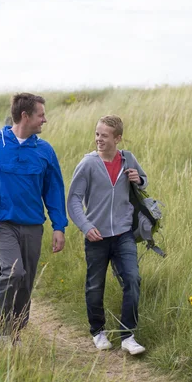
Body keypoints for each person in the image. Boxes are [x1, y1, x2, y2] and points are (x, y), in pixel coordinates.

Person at [0, 93, 68, 342]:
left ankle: (16, 330)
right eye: (41, 115)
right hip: (1, 224)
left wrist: (59, 226)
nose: (45, 120)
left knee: (26, 281)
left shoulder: (44, 150)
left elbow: (54, 190)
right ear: (25, 116)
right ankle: (1, 328)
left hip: (32, 226)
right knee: (14, 272)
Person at [67, 115, 148, 355]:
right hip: (96, 236)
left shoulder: (128, 158)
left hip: (124, 234)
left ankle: (128, 336)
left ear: (118, 138)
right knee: (95, 285)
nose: (99, 139)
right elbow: (73, 200)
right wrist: (85, 226)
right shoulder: (88, 164)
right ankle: (98, 331)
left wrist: (139, 178)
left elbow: (143, 182)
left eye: (104, 135)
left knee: (132, 279)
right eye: (97, 134)